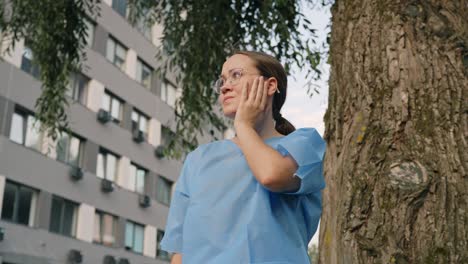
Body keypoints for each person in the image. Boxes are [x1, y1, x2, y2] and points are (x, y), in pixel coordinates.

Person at [160, 50, 326, 264]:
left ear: (270, 86)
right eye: (222, 80)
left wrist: (243, 124)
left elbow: (271, 175)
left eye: (236, 75)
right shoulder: (198, 159)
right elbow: (180, 248)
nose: (224, 86)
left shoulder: (305, 143)